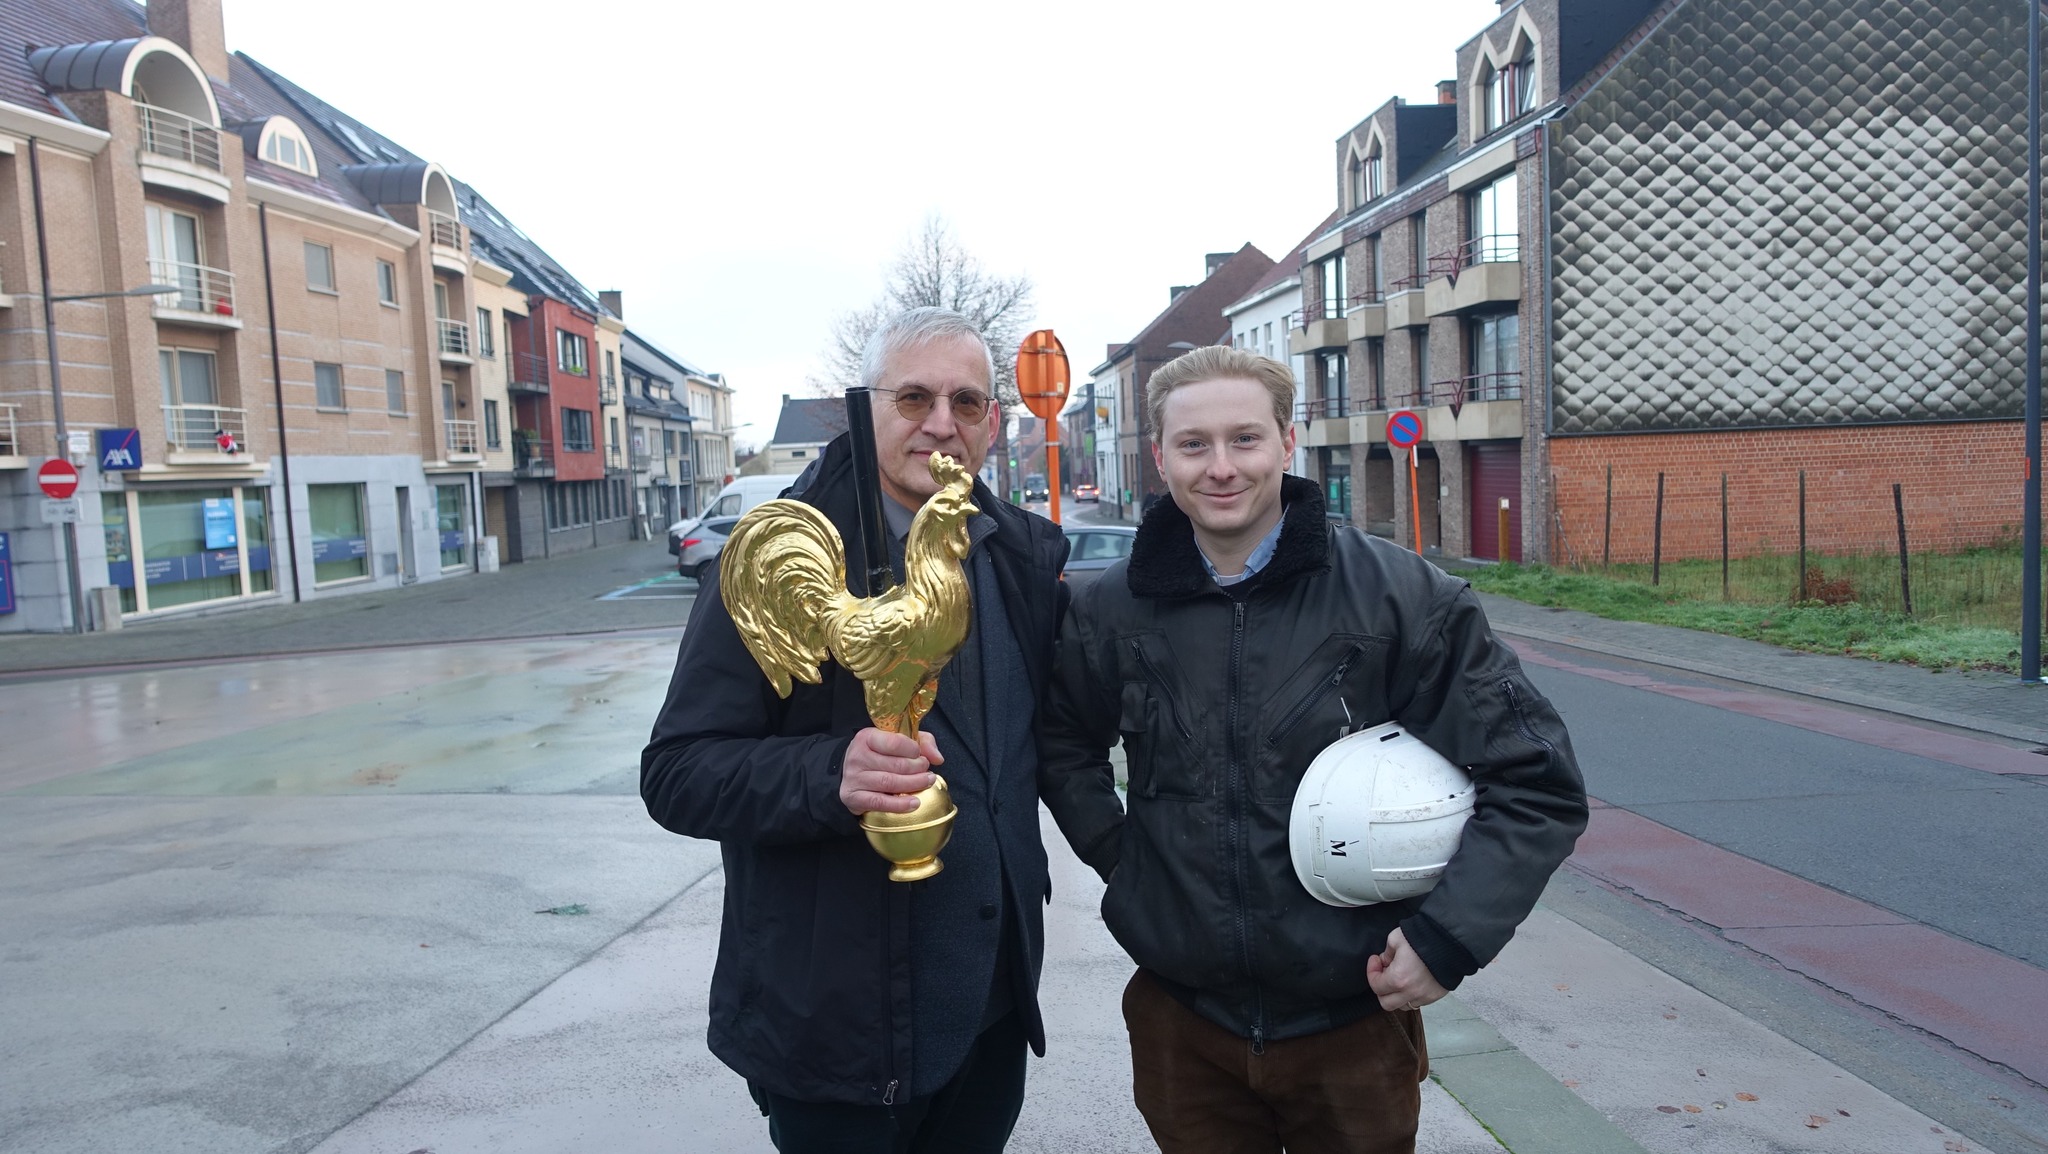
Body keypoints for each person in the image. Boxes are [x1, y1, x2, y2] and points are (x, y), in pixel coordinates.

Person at [1038, 345, 1586, 1153]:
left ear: (1288, 444)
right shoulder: (1109, 609)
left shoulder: (1400, 597)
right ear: (1159, 456)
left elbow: (1535, 781)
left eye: (1245, 439)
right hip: (1181, 1025)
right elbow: (1060, 741)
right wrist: (1125, 862)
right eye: (1194, 445)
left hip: (1352, 1024)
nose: (1221, 467)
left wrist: (1447, 940)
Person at [641, 307, 1070, 1153]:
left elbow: (1048, 752)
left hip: (985, 1014)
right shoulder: (775, 555)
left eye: (968, 402)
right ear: (863, 407)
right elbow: (677, 772)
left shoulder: (1021, 558)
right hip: (835, 1031)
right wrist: (828, 775)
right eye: (913, 397)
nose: (941, 423)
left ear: (992, 421)